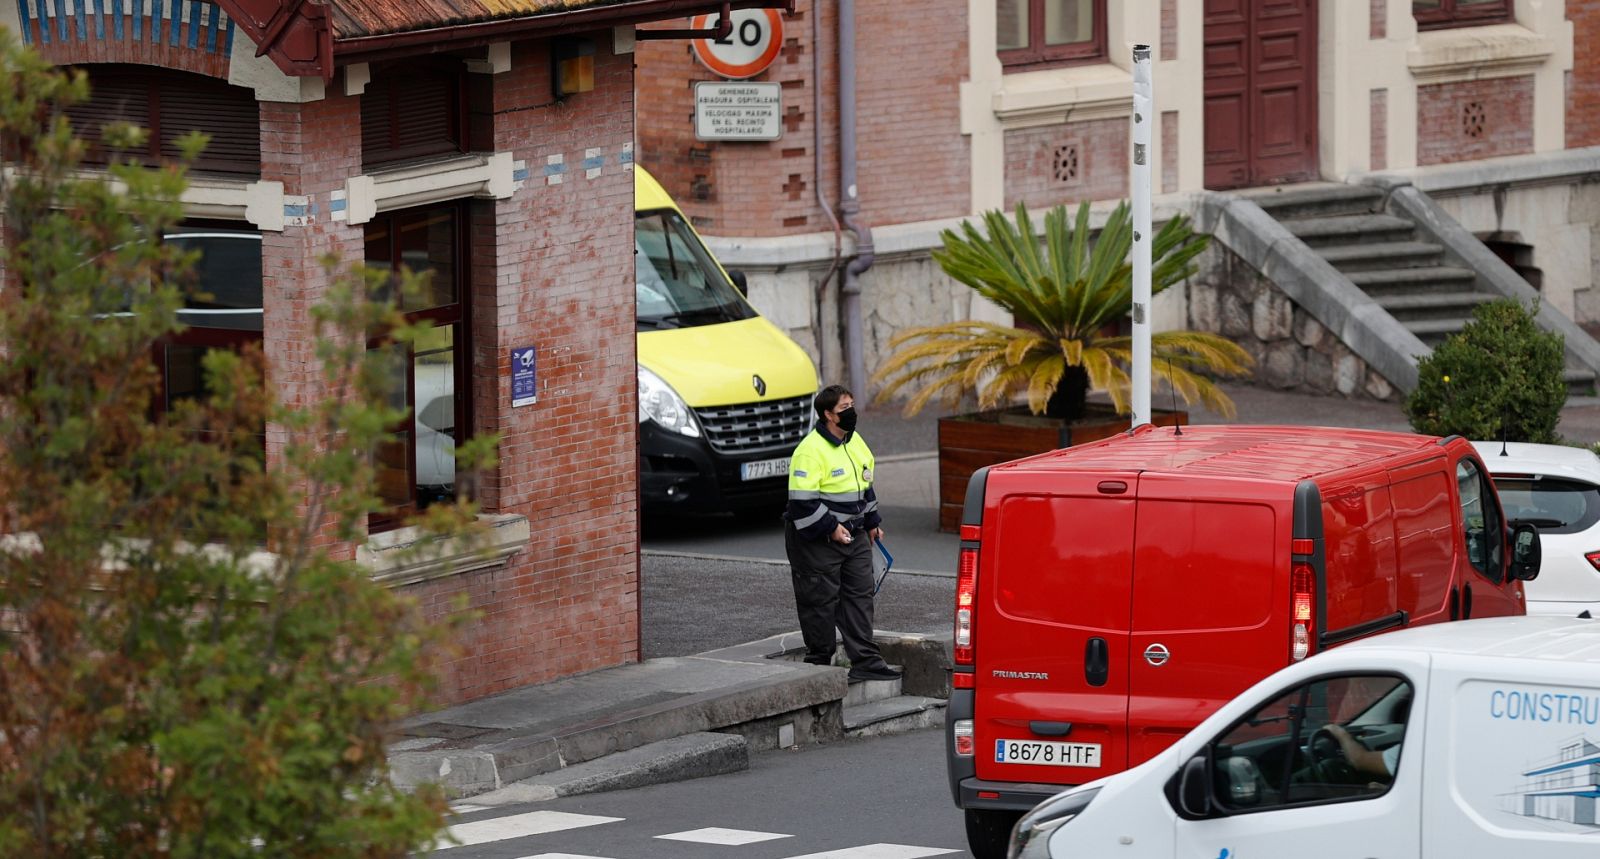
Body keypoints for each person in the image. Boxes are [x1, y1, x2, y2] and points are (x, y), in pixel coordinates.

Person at [784, 385, 901, 682]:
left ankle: (866, 661)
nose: (851, 412)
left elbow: (865, 485)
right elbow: (801, 504)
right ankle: (819, 667)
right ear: (828, 414)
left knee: (860, 596)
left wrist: (872, 521)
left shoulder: (854, 441)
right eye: (844, 408)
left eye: (851, 405)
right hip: (817, 539)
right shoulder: (809, 451)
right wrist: (831, 528)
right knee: (819, 601)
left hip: (855, 533)